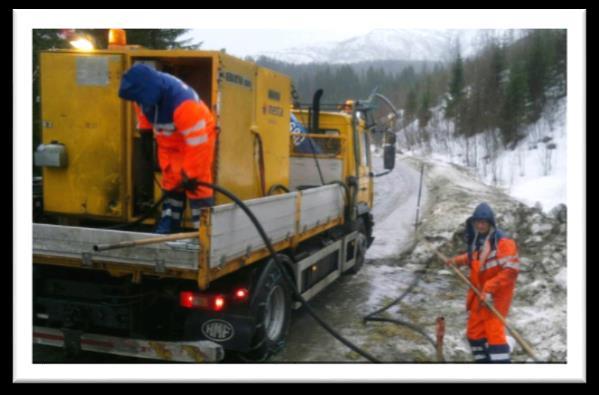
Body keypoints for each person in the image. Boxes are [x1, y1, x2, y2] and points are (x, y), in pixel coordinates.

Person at [119, 63, 216, 234]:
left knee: (197, 185)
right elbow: (143, 115)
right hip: (169, 140)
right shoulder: (142, 95)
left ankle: (202, 231)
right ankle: (170, 223)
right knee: (171, 180)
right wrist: (145, 137)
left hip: (197, 139)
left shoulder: (184, 104)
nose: (138, 102)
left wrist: (191, 173)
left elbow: (197, 143)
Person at [446, 203, 520, 363]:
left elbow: (511, 271)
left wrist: (489, 288)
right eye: (477, 222)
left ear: (491, 223)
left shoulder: (503, 242)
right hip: (479, 297)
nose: (480, 225)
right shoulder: (478, 240)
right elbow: (473, 257)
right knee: (474, 334)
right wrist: (456, 261)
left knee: (494, 335)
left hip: (496, 297)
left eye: (483, 222)